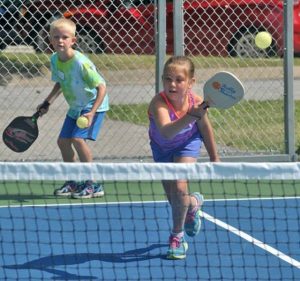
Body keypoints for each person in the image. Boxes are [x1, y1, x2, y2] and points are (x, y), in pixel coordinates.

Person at [148, 56, 220, 259]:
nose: (172, 84)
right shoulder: (158, 103)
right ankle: (193, 204)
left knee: (180, 187)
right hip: (162, 149)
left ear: (191, 82)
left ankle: (177, 236)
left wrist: (215, 157)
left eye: (179, 79)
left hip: (188, 144)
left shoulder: (196, 102)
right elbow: (167, 132)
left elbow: (205, 128)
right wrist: (192, 116)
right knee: (174, 199)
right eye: (167, 79)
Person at [37, 18, 109, 199]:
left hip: (93, 106)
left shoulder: (80, 63)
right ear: (51, 40)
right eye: (56, 37)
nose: (60, 40)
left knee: (77, 139)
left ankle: (93, 184)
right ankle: (73, 181)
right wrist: (47, 103)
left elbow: (102, 86)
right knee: (62, 141)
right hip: (75, 107)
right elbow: (60, 83)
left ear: (73, 41)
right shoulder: (55, 59)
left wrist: (92, 112)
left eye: (65, 37)